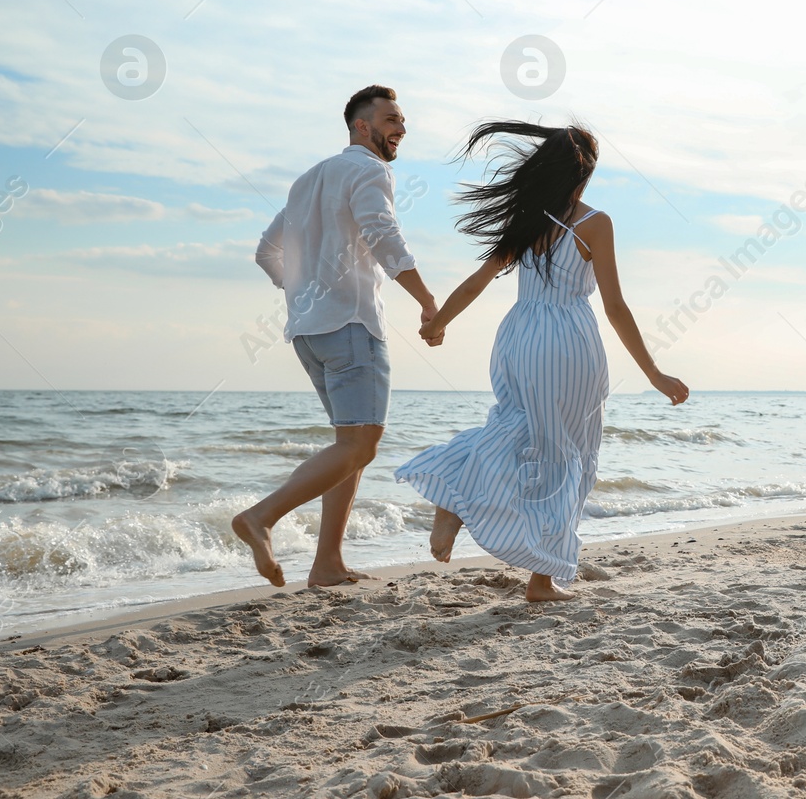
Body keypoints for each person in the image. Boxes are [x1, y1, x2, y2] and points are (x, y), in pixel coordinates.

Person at [394, 121, 688, 602]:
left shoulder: (527, 220)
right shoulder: (595, 223)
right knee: (568, 455)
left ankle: (522, 562)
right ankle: (472, 515)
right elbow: (614, 307)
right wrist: (653, 373)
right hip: (568, 341)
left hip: (518, 336)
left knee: (515, 427)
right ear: (585, 174)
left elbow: (476, 282)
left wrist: (437, 322)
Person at [232, 85, 440, 588]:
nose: (401, 128)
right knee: (360, 445)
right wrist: (428, 301)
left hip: (309, 332)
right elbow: (382, 233)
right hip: (349, 325)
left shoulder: (308, 180)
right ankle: (260, 518)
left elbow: (266, 251)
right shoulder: (370, 169)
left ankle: (327, 563)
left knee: (350, 444)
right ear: (361, 127)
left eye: (403, 119)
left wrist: (303, 289)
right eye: (391, 118)